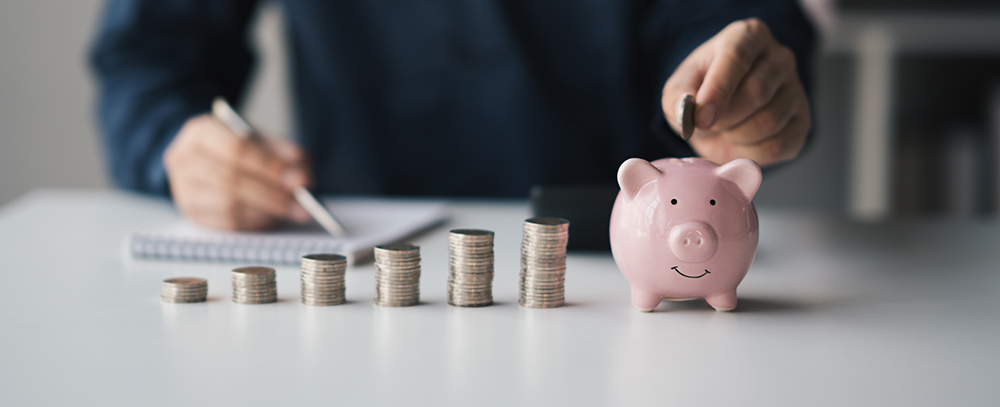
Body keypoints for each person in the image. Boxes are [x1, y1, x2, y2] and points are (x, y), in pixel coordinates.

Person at [90, 0, 815, 231]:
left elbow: (735, 22)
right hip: (358, 270)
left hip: (620, 267)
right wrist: (174, 143)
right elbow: (147, 57)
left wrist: (740, 85)